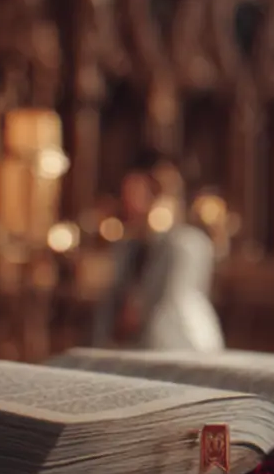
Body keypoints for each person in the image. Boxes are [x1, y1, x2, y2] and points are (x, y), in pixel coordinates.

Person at [91, 149, 225, 351]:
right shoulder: (128, 247)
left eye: (138, 192)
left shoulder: (187, 244)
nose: (128, 201)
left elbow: (168, 303)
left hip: (178, 345)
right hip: (132, 347)